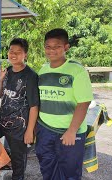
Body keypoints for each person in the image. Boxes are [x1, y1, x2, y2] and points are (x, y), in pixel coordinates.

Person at [35, 28, 93, 180]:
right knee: (47, 167)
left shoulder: (77, 71)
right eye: (48, 46)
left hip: (69, 132)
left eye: (57, 46)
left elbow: (84, 102)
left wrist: (72, 130)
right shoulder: (42, 70)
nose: (52, 50)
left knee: (70, 172)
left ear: (66, 47)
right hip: (45, 129)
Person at [0, 38, 40, 180]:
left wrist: (29, 131)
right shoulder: (8, 71)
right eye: (11, 51)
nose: (13, 55)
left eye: (18, 52)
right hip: (2, 121)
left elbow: (34, 106)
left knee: (18, 163)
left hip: (19, 128)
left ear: (25, 55)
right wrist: (0, 79)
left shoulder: (30, 76)